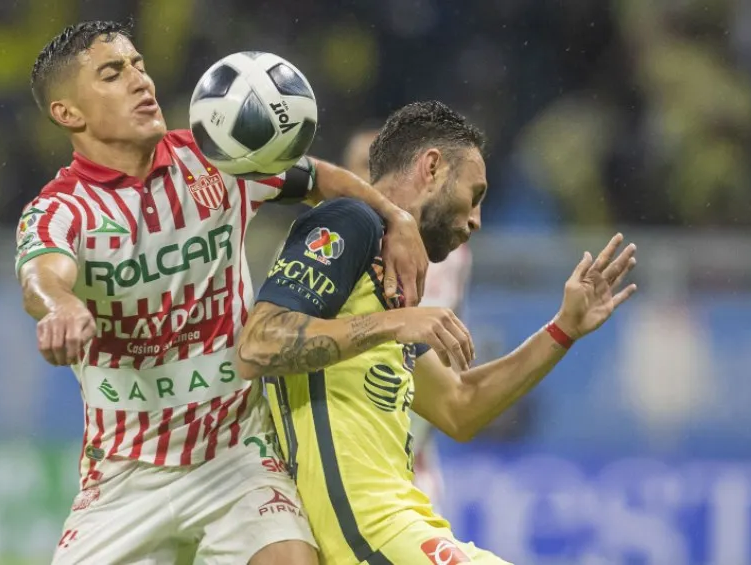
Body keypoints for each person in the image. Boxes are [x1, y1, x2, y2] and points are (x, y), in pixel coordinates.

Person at [17, 20, 429, 565]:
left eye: (139, 65)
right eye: (112, 74)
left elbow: (318, 179)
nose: (141, 81)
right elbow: (42, 274)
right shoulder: (63, 207)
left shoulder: (216, 156)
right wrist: (61, 306)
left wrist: (396, 217)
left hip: (236, 455)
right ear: (68, 113)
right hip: (124, 474)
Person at [237, 101, 638, 564]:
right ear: (432, 167)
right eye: (475, 194)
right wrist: (394, 322)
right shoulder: (349, 220)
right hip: (367, 533)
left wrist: (563, 330)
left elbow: (458, 405)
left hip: (405, 522)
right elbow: (258, 343)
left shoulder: (387, 278)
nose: (476, 220)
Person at [343, 127, 473, 508]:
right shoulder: (323, 244)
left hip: (403, 460)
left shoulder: (437, 249)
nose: (367, 183)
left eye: (377, 171)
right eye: (357, 168)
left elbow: (421, 346)